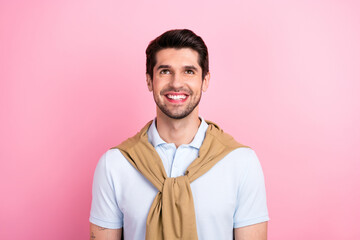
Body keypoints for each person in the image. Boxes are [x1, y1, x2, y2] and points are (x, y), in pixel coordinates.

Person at [89, 29, 269, 240]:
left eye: (189, 71)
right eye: (165, 71)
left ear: (205, 81)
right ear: (149, 81)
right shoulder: (114, 164)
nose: (176, 83)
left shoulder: (241, 162)